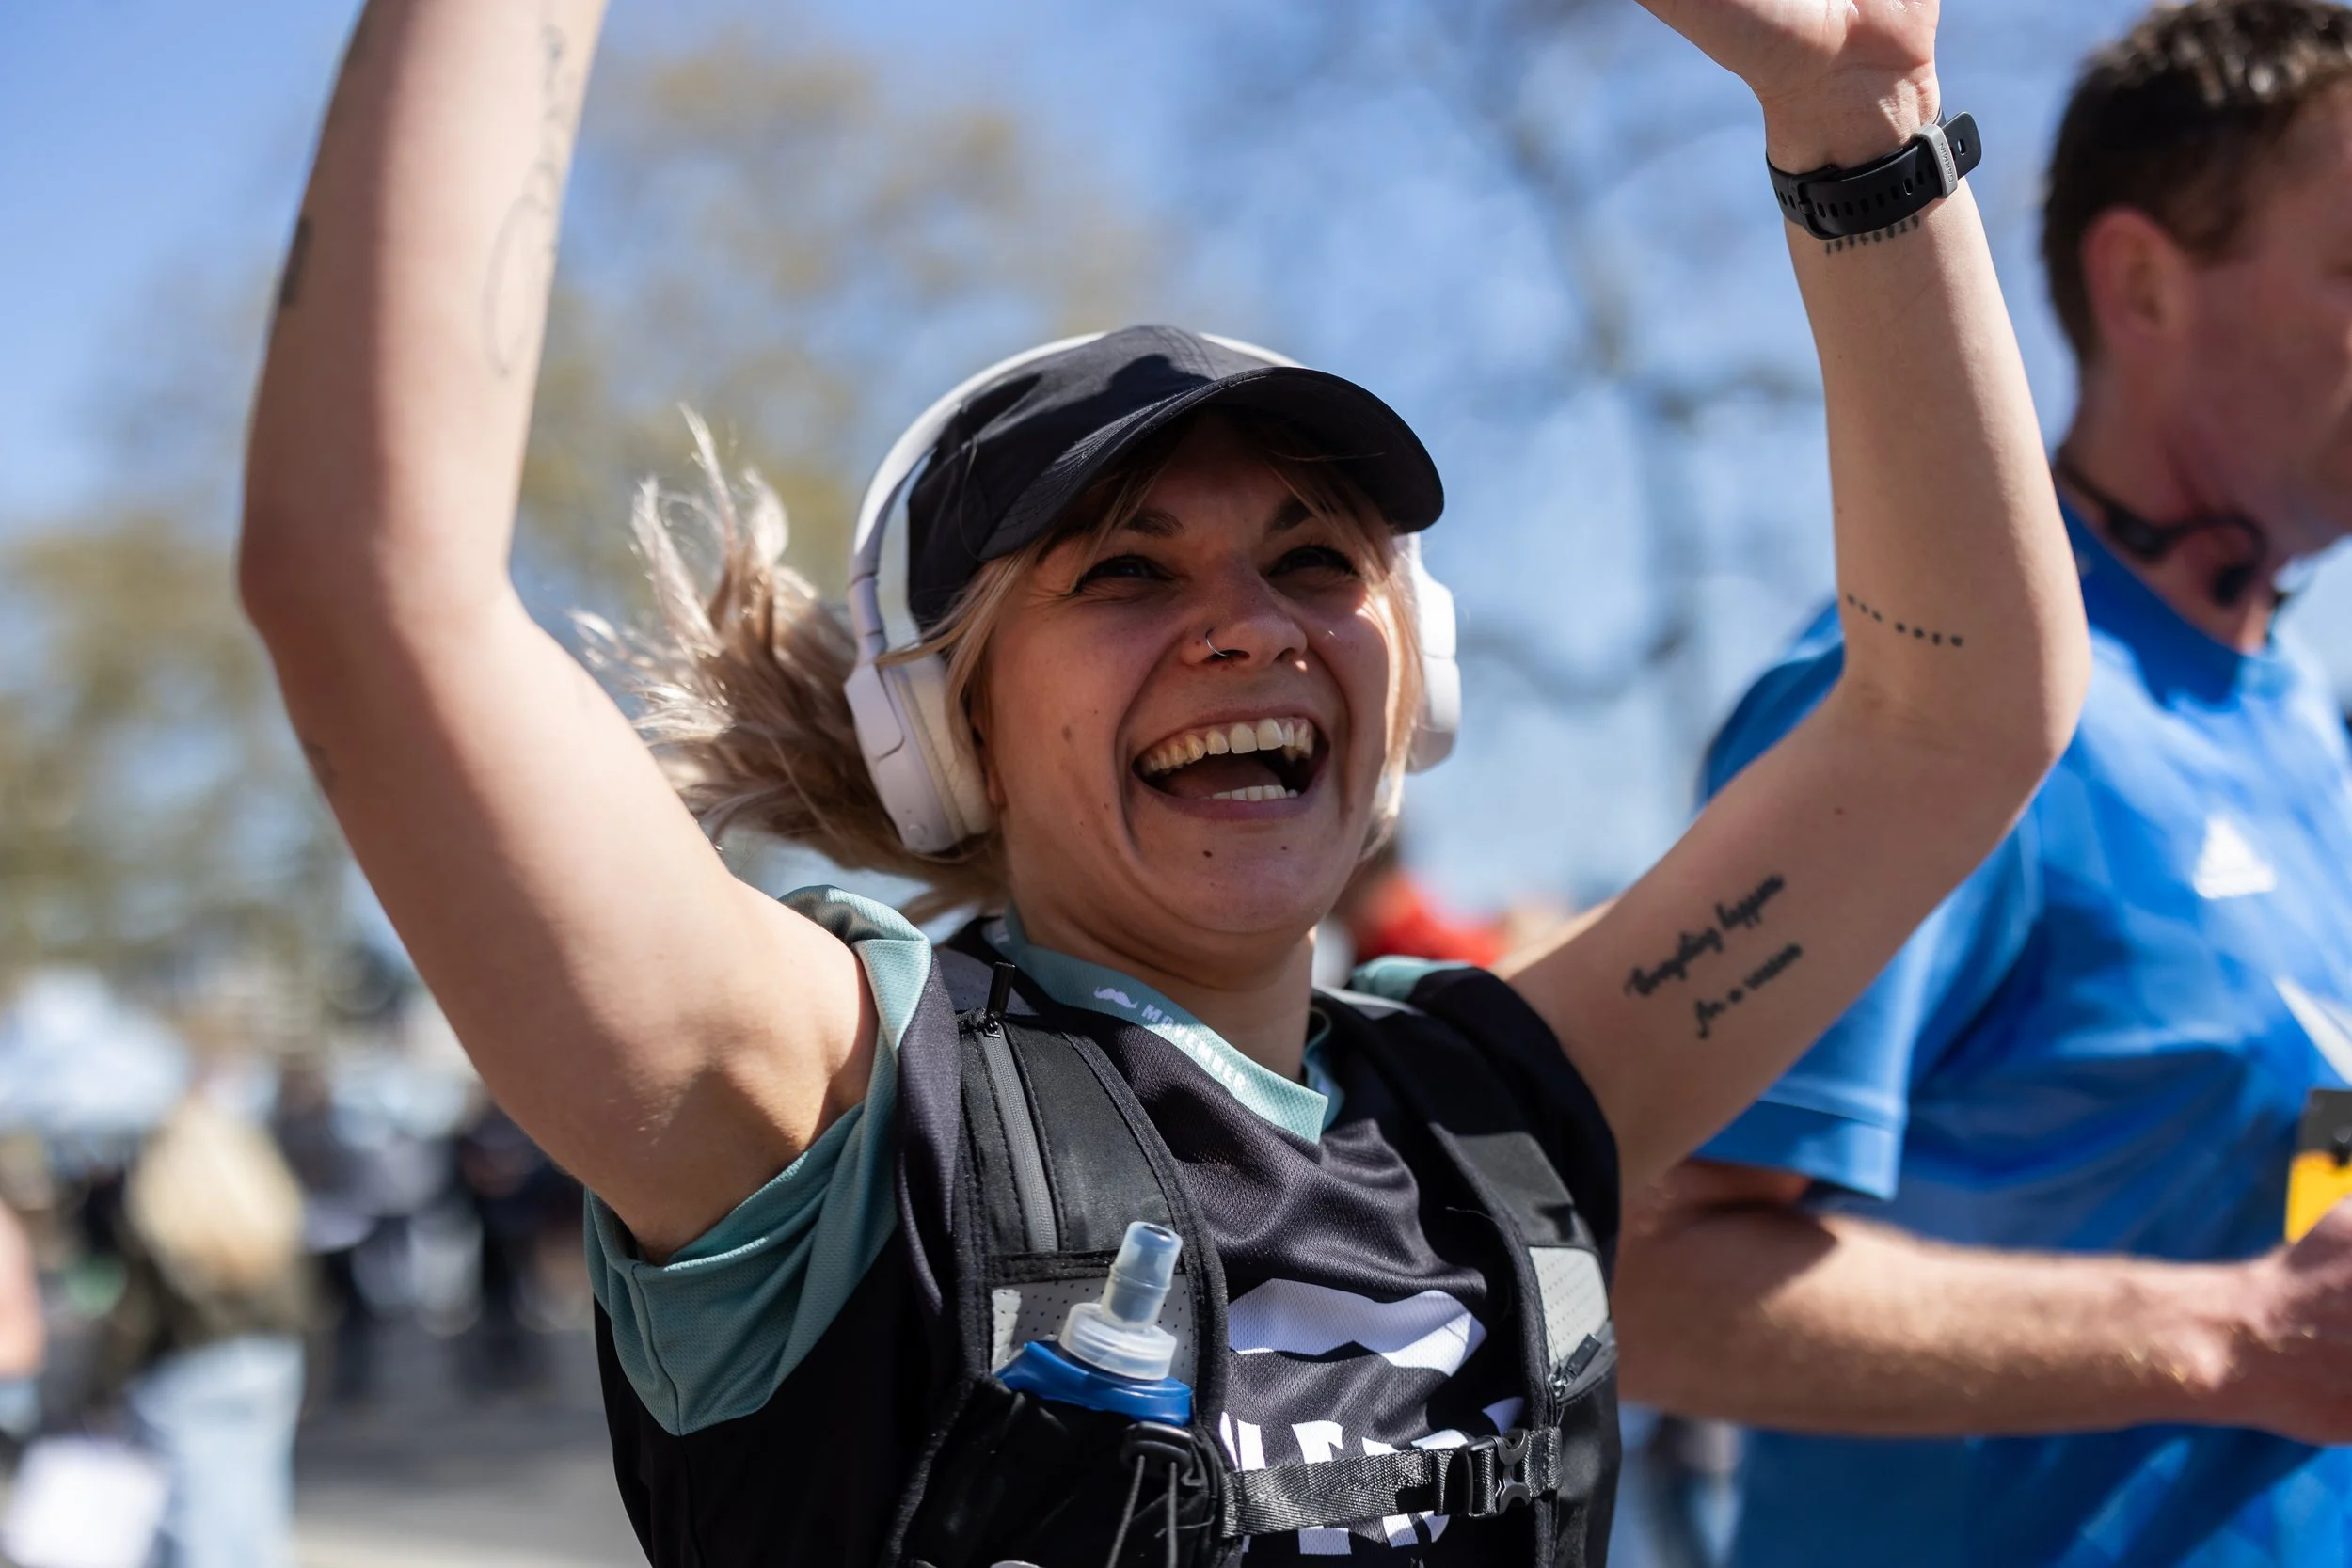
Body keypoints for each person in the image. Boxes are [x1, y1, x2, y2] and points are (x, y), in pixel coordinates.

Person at [238, 1, 2087, 1562]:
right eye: (1124, 573)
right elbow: (372, 596)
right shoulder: (839, 1103)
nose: (1246, 626)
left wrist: (1858, 117)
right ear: (943, 718)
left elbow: (1960, 714)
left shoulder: (1508, 1103)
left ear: (1410, 669)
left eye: (1311, 561)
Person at [1610, 4, 2352, 1564]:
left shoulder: (2309, 735)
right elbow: (1635, 1278)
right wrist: (2234, 1332)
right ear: (2142, 281)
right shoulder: (1920, 706)